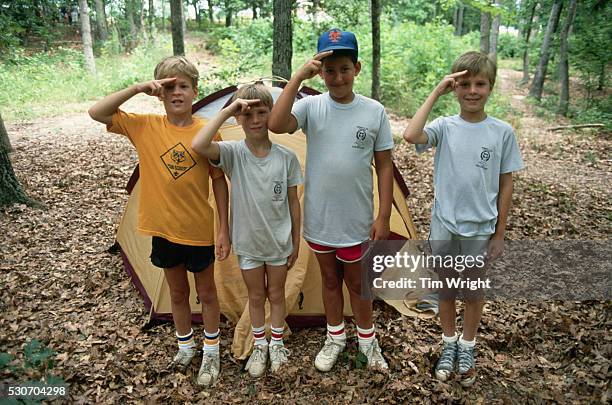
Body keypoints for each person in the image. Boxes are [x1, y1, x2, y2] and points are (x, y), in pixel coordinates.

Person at [88, 56, 231, 387]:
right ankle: (185, 345)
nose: (176, 93)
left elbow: (220, 181)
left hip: (198, 230)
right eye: (169, 87)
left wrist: (224, 228)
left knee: (207, 293)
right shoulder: (145, 126)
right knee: (178, 293)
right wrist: (138, 88)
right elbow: (98, 113)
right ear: (159, 94)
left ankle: (211, 351)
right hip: (163, 231)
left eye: (183, 86)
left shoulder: (207, 132)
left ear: (195, 91)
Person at [268, 29, 394, 372]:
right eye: (329, 70)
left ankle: (367, 340)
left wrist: (383, 216)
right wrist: (296, 78)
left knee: (357, 282)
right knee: (328, 280)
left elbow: (384, 166)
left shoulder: (374, 112)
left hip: (356, 218)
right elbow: (276, 124)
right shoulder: (310, 106)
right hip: (320, 217)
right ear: (320, 73)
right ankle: (335, 336)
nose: (337, 77)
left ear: (357, 68)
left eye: (343, 69)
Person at [402, 51, 524, 387]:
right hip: (445, 224)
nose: (472, 90)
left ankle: (468, 347)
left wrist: (499, 234)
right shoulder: (444, 126)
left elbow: (506, 184)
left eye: (480, 84)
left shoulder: (501, 133)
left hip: (480, 228)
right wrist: (436, 92)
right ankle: (449, 343)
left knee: (472, 292)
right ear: (455, 88)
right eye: (464, 84)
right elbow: (411, 136)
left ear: (491, 87)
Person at [191, 84, 303, 377]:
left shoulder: (286, 157)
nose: (255, 120)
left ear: (271, 114)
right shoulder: (232, 153)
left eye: (262, 112)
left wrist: (296, 241)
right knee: (255, 297)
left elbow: (293, 203)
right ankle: (260, 345)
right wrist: (228, 110)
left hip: (279, 243)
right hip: (248, 243)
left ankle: (276, 344)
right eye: (247, 113)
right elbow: (199, 145)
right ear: (238, 119)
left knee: (276, 294)